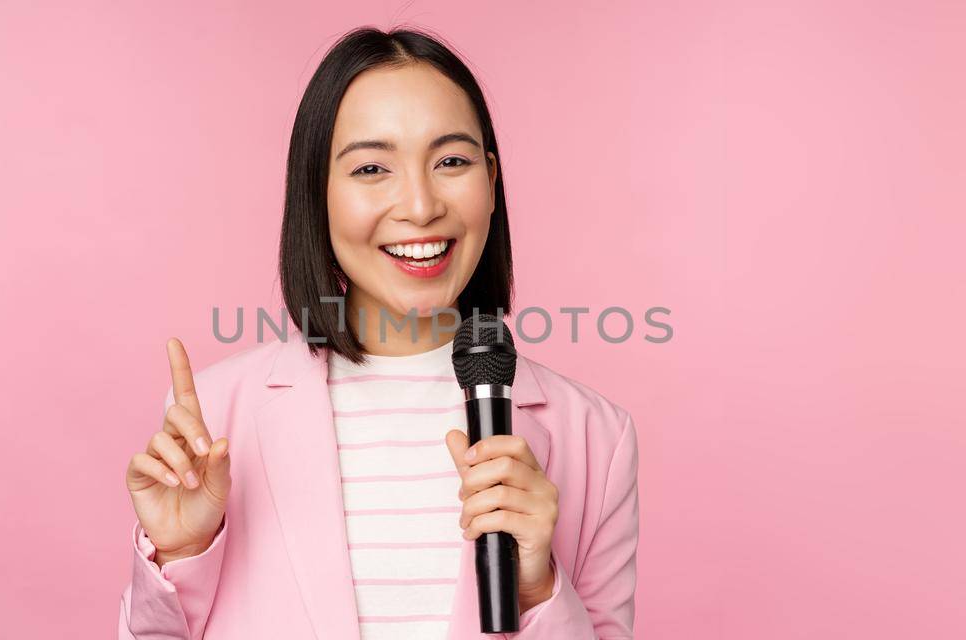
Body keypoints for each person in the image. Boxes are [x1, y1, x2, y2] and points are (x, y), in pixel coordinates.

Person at [119, 26, 638, 640]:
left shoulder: (597, 438)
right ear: (318, 195)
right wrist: (181, 554)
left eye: (451, 161)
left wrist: (538, 590)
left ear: (491, 182)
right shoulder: (214, 421)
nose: (420, 206)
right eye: (371, 168)